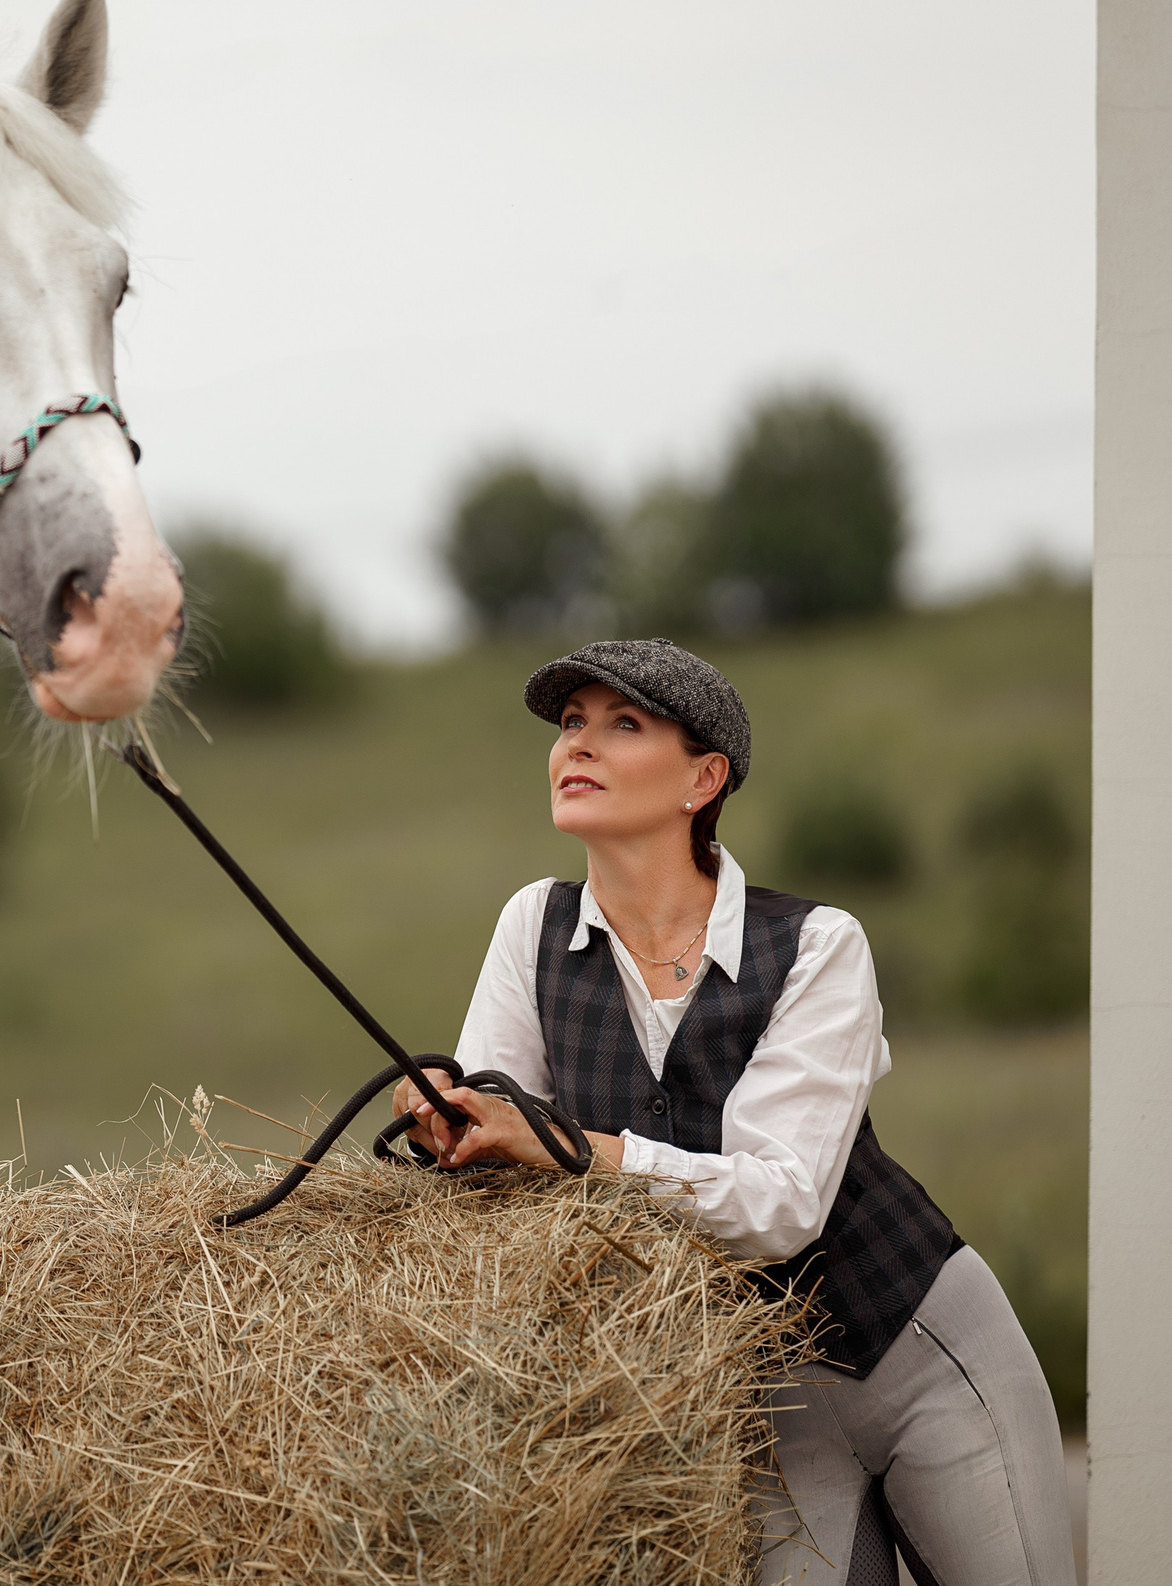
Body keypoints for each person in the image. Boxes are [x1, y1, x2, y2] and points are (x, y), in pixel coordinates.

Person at [393, 639, 1071, 1586]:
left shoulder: (821, 945)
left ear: (703, 778)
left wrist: (568, 1148)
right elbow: (503, 1141)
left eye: (622, 724)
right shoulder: (531, 927)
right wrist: (449, 1122)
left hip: (916, 1343)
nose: (576, 746)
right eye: (570, 724)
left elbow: (783, 1204)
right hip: (750, 1400)